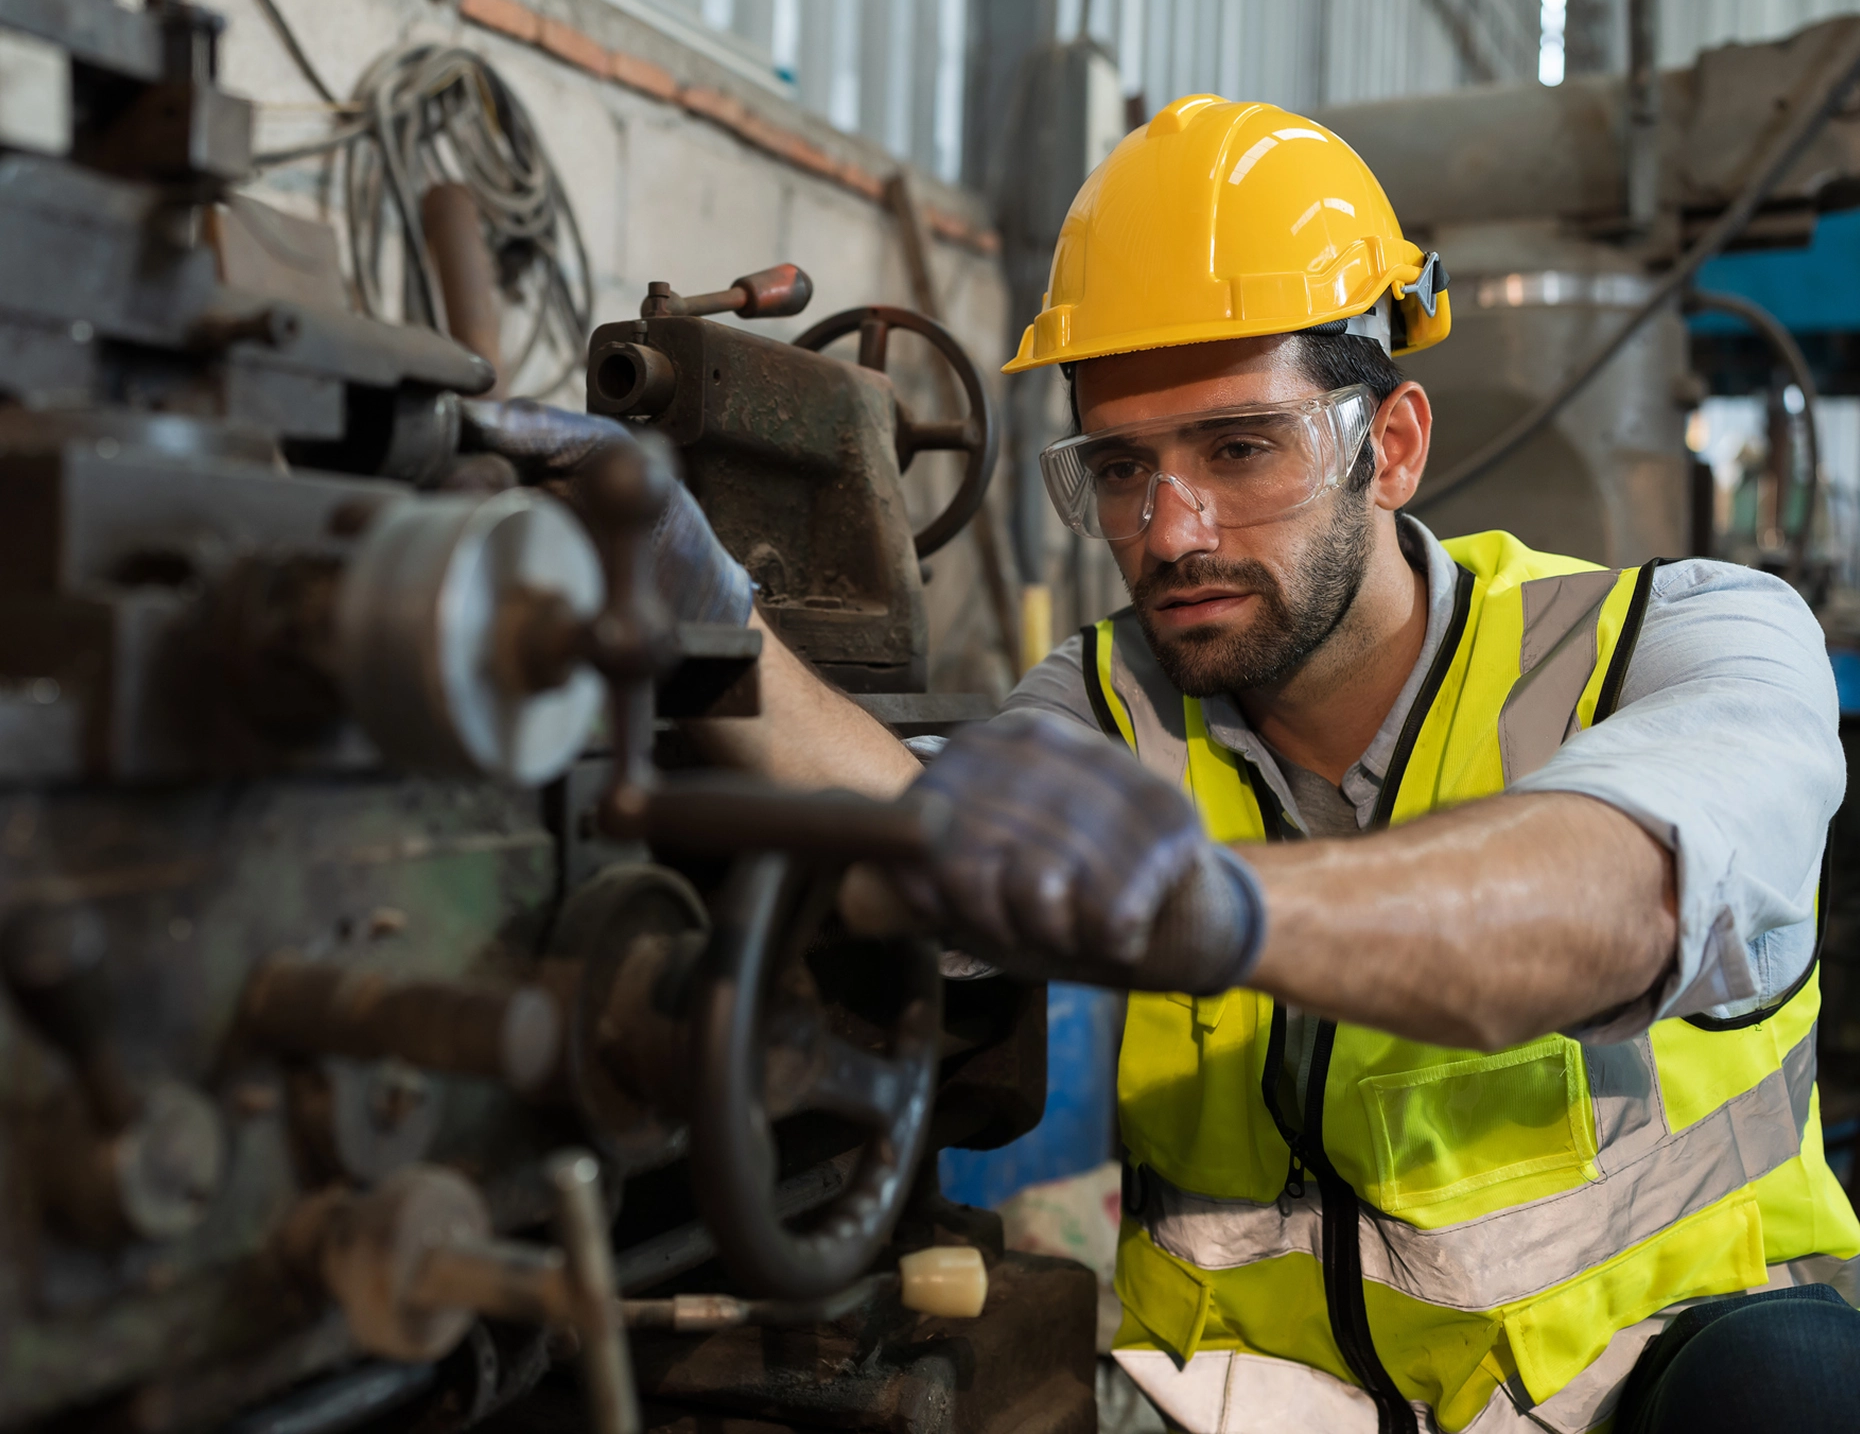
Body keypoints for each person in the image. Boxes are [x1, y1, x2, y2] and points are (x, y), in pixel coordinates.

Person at [643, 95, 1860, 1434]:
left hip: (1651, 1383)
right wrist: (699, 611)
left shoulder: (1678, 640)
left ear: (1388, 446)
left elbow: (1618, 899)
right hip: (1257, 1405)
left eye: (1239, 448)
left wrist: (1216, 910)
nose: (1170, 533)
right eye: (1121, 466)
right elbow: (921, 837)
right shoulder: (1116, 705)